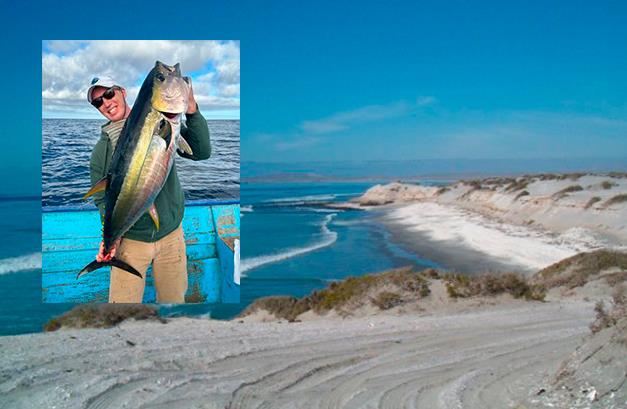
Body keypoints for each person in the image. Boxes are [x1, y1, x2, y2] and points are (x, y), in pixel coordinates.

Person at [86, 74, 211, 303]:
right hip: (130, 243)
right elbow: (104, 202)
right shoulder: (99, 154)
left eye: (109, 94)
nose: (106, 102)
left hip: (171, 235)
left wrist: (191, 108)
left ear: (122, 91)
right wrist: (110, 238)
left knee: (175, 303)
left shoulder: (158, 121)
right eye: (98, 102)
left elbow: (201, 152)